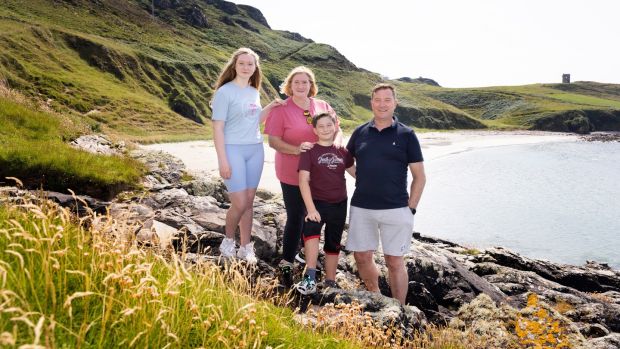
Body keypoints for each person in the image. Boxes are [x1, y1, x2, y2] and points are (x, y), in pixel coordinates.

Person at [345, 83, 426, 304]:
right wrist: (360, 177)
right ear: (371, 103)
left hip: (397, 208)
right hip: (362, 207)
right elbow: (346, 160)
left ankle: (399, 308)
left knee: (394, 261)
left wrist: (411, 208)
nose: (382, 104)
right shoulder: (360, 132)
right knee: (361, 257)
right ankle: (377, 298)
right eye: (377, 100)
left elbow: (419, 176)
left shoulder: (407, 135)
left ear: (394, 103)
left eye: (387, 100)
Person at [264, 66, 343, 285]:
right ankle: (287, 263)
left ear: (311, 85)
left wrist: (337, 142)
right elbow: (273, 141)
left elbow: (337, 128)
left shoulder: (322, 105)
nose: (301, 86)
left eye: (305, 82)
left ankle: (304, 256)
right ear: (290, 85)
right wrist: (298, 149)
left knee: (314, 215)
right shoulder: (281, 109)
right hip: (290, 171)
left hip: (319, 173)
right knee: (296, 215)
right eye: (296, 82)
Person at [211, 47, 283, 264]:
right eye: (241, 63)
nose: (245, 67)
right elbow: (217, 129)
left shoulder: (254, 91)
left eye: (250, 64)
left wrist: (270, 107)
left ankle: (245, 247)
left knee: (249, 203)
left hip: (255, 150)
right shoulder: (224, 92)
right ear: (234, 65)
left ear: (255, 68)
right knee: (240, 202)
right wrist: (223, 160)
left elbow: (254, 120)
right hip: (232, 149)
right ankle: (228, 241)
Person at [295, 112, 355, 294]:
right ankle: (309, 279)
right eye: (320, 126)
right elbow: (303, 180)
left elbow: (356, 174)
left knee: (333, 242)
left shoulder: (343, 151)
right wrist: (311, 209)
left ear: (335, 126)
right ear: (314, 130)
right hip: (317, 203)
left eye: (329, 125)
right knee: (311, 234)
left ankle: (330, 281)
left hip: (339, 203)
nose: (325, 129)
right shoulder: (309, 151)